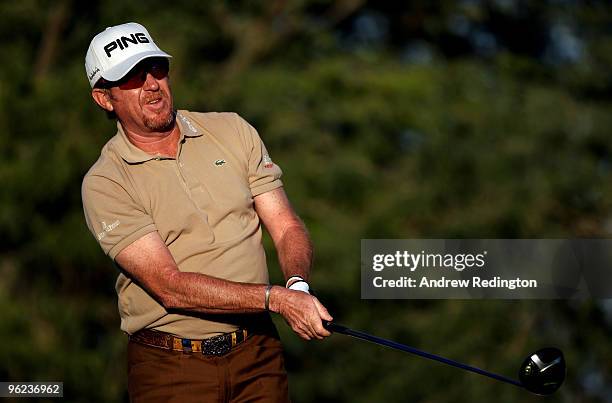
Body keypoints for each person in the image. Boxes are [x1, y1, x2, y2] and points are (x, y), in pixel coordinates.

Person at [81, 22, 332, 402]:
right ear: (104, 98)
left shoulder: (232, 129)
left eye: (156, 69)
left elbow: (284, 225)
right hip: (170, 365)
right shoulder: (106, 182)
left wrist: (296, 284)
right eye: (131, 78)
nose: (151, 84)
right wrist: (276, 299)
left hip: (258, 352)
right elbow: (169, 286)